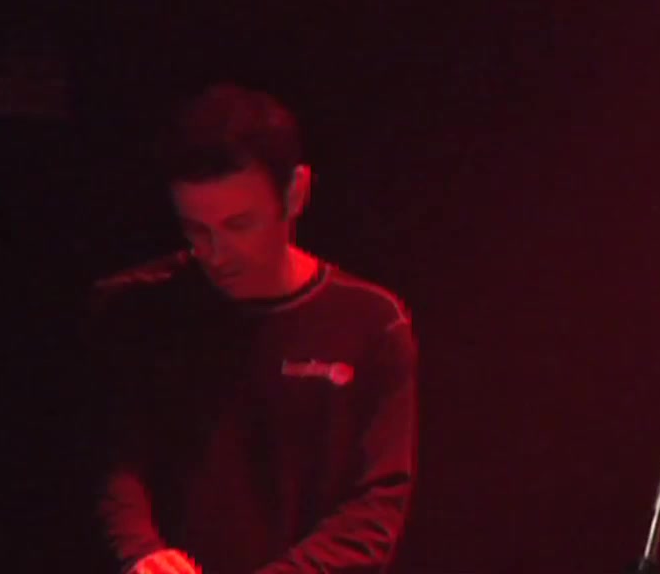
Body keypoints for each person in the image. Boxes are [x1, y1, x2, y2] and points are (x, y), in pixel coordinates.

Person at [90, 82, 417, 573]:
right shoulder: (136, 309)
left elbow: (375, 505)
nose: (217, 254)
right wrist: (141, 551)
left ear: (296, 193)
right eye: (197, 230)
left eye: (240, 225)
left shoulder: (369, 322)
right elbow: (112, 461)